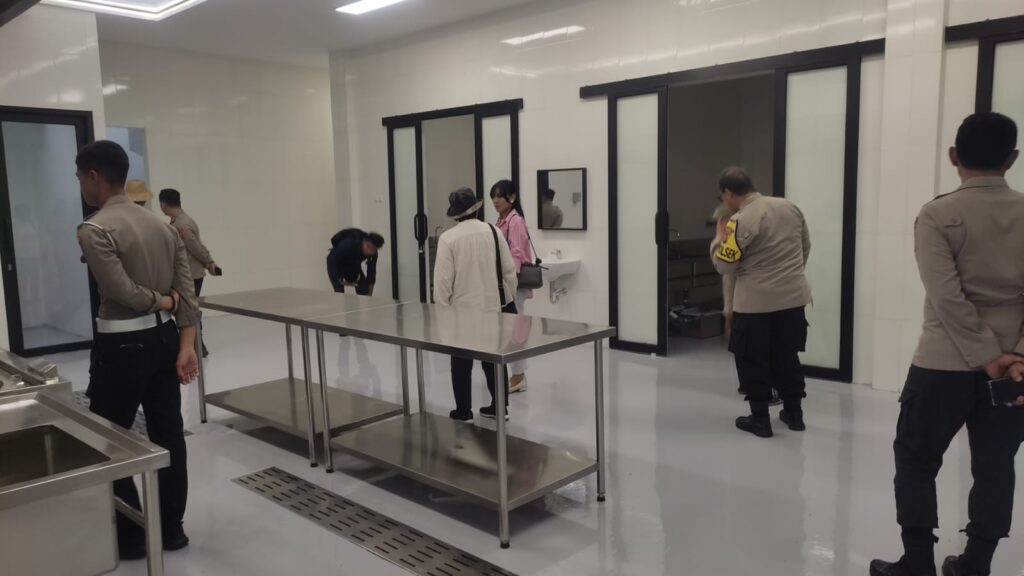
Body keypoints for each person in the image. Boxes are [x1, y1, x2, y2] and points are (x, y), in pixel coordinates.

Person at [870, 112, 1024, 576]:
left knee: (916, 460)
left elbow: (946, 295)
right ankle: (975, 564)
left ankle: (917, 562)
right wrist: (1015, 354)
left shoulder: (937, 214)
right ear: (1012, 158)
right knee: (996, 465)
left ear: (954, 156)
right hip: (1014, 370)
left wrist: (986, 355)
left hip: (942, 363)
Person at [75, 140, 200, 560]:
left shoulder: (94, 229)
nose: (81, 185)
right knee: (168, 436)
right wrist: (186, 344)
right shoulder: (163, 227)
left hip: (121, 345)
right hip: (165, 342)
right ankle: (171, 530)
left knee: (106, 439)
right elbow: (187, 294)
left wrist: (160, 301)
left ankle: (131, 536)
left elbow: (122, 292)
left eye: (80, 177)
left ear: (94, 176)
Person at [710, 166, 812, 438]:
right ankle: (794, 414)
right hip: (793, 299)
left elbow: (725, 266)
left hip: (755, 305)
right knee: (787, 356)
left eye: (723, 196)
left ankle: (760, 419)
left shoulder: (739, 221)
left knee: (752, 359)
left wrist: (719, 239)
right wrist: (788, 275)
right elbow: (805, 246)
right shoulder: (790, 207)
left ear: (728, 192)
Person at [434, 188, 518, 421]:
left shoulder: (448, 238)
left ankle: (464, 411)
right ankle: (499, 407)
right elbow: (509, 271)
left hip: (462, 311)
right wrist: (507, 297)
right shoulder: (493, 231)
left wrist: (442, 313)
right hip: (493, 308)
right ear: (476, 209)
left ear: (455, 214)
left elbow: (442, 282)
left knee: (461, 362)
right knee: (493, 360)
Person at [159, 188, 217, 357]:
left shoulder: (181, 225)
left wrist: (208, 262)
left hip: (190, 275)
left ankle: (198, 347)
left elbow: (195, 247)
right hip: (191, 274)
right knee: (190, 309)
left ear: (163, 204)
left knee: (189, 311)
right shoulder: (181, 220)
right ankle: (197, 346)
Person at [491, 179, 534, 393]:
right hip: (506, 285)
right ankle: (516, 375)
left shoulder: (515, 221)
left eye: (500, 196)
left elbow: (516, 254)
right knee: (510, 330)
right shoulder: (501, 221)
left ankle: (518, 376)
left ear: (512, 197)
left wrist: (509, 283)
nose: (495, 200)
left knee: (515, 332)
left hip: (513, 286)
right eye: (493, 196)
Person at [326, 228, 384, 296]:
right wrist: (338, 280)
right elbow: (331, 260)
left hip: (354, 266)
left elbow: (371, 272)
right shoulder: (348, 243)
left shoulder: (373, 253)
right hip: (337, 265)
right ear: (363, 241)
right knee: (339, 294)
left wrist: (369, 295)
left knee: (365, 291)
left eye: (373, 249)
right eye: (368, 247)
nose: (369, 251)